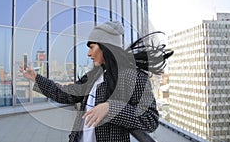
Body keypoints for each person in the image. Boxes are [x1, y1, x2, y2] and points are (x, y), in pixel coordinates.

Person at [19, 21, 173, 142]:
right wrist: (36, 78)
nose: (88, 53)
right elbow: (65, 94)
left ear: (105, 47)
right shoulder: (94, 76)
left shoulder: (135, 77)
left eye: (92, 47)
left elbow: (150, 120)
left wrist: (111, 108)